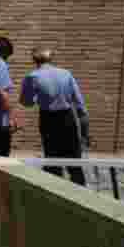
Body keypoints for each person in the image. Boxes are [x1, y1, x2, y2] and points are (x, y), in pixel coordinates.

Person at [19, 48, 88, 186]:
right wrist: (85, 133)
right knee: (74, 159)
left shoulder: (32, 77)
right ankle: (81, 193)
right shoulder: (66, 74)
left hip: (48, 119)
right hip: (67, 117)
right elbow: (79, 103)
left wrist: (37, 98)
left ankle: (55, 191)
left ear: (34, 60)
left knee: (52, 157)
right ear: (51, 59)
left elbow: (26, 102)